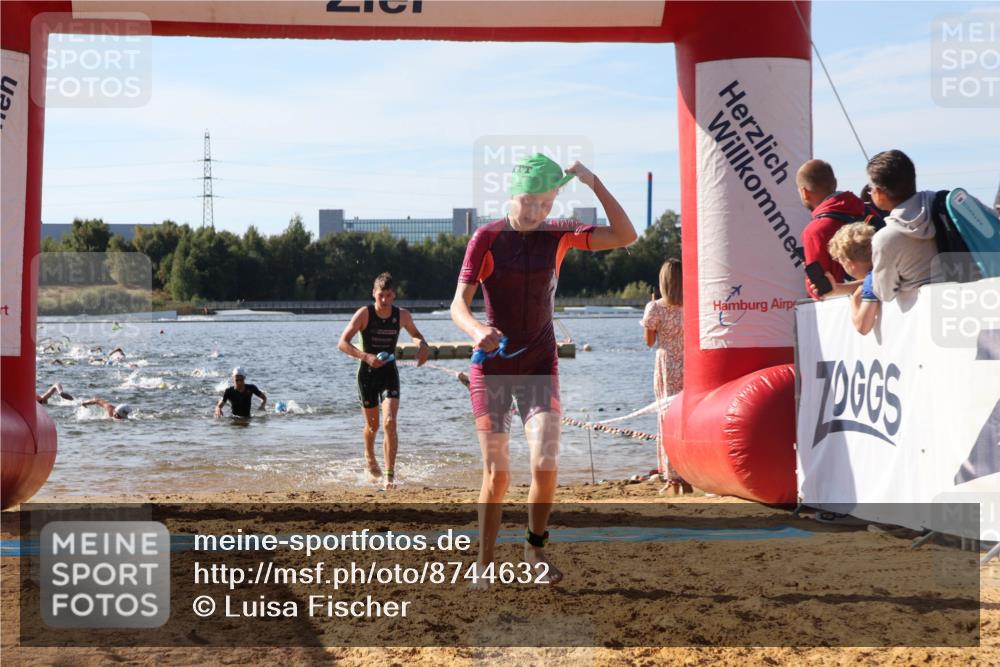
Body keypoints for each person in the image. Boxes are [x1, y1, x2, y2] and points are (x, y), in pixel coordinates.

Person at [451, 154, 637, 585]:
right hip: (493, 369)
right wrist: (477, 329)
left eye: (546, 204)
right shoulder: (487, 237)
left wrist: (594, 182)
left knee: (546, 460)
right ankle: (484, 563)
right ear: (512, 195)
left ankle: (534, 551)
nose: (536, 212)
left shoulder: (559, 235)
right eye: (528, 201)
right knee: (498, 473)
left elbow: (626, 235)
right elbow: (458, 304)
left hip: (539, 363)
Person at [338, 272, 430, 489]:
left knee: (389, 422)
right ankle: (369, 456)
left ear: (394, 295)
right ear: (374, 293)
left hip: (389, 374)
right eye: (381, 295)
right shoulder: (364, 314)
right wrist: (366, 357)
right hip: (367, 375)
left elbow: (416, 335)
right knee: (373, 426)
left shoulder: (402, 315)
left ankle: (389, 476)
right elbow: (342, 343)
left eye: (388, 295)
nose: (385, 300)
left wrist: (422, 346)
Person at [641, 259, 691, 495]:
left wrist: (650, 313)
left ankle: (673, 478)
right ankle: (689, 474)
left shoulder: (655, 307)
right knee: (687, 419)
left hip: (667, 364)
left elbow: (649, 342)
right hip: (689, 364)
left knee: (667, 419)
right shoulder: (692, 305)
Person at [865, 149, 938, 303]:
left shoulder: (885, 238)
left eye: (870, 189)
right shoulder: (946, 203)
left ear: (879, 193)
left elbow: (884, 294)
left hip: (925, 312)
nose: (869, 193)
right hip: (972, 301)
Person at [796, 159, 867, 299]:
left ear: (804, 192)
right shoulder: (869, 211)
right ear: (835, 183)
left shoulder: (815, 231)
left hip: (851, 306)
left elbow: (822, 291)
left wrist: (811, 281)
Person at [827, 223, 880, 335]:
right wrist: (837, 289)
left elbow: (862, 327)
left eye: (841, 262)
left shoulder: (871, 281)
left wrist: (855, 300)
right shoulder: (884, 267)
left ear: (849, 263)